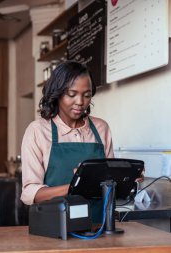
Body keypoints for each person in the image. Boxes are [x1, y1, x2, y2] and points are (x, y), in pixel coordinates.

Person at [20, 61, 114, 223]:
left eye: (87, 95)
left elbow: (110, 180)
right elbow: (30, 193)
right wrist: (77, 184)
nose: (80, 102)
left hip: (98, 223)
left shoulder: (101, 128)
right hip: (54, 225)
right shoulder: (38, 130)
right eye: (72, 94)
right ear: (57, 93)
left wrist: (127, 177)